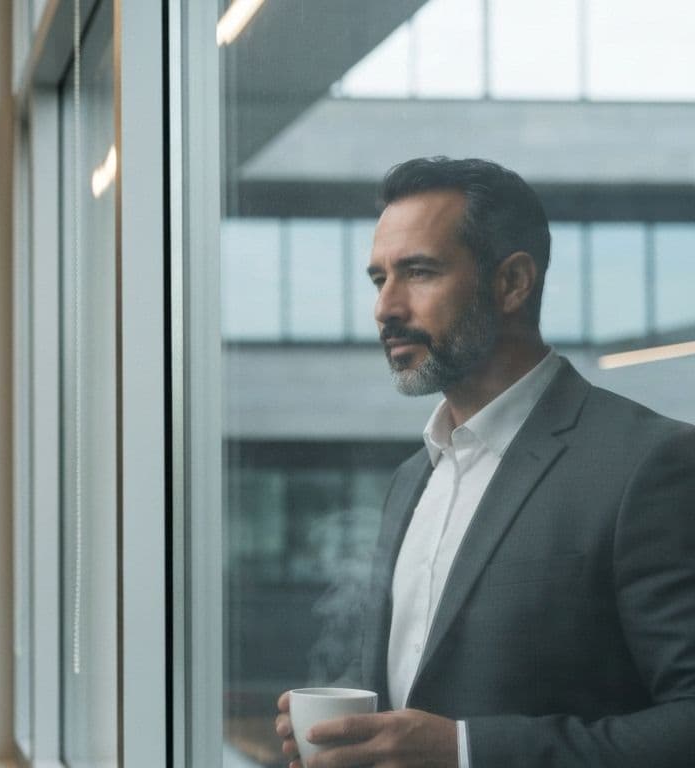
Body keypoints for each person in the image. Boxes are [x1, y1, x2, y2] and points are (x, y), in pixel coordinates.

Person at [275, 157, 695, 767]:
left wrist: (467, 751)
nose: (385, 308)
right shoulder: (412, 479)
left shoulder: (651, 463)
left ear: (512, 283)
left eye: (418, 272)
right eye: (378, 279)